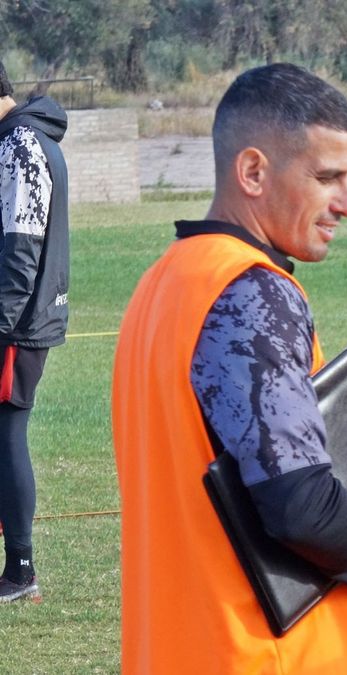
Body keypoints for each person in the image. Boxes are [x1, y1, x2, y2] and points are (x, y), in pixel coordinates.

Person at [111, 64, 347, 673]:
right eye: (327, 177)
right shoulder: (252, 292)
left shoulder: (162, 282)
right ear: (254, 171)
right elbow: (298, 505)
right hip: (262, 654)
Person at [0, 59, 69, 603]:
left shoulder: (19, 144)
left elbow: (21, 251)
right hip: (20, 320)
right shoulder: (19, 137)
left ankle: (21, 572)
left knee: (7, 437)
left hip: (14, 327)